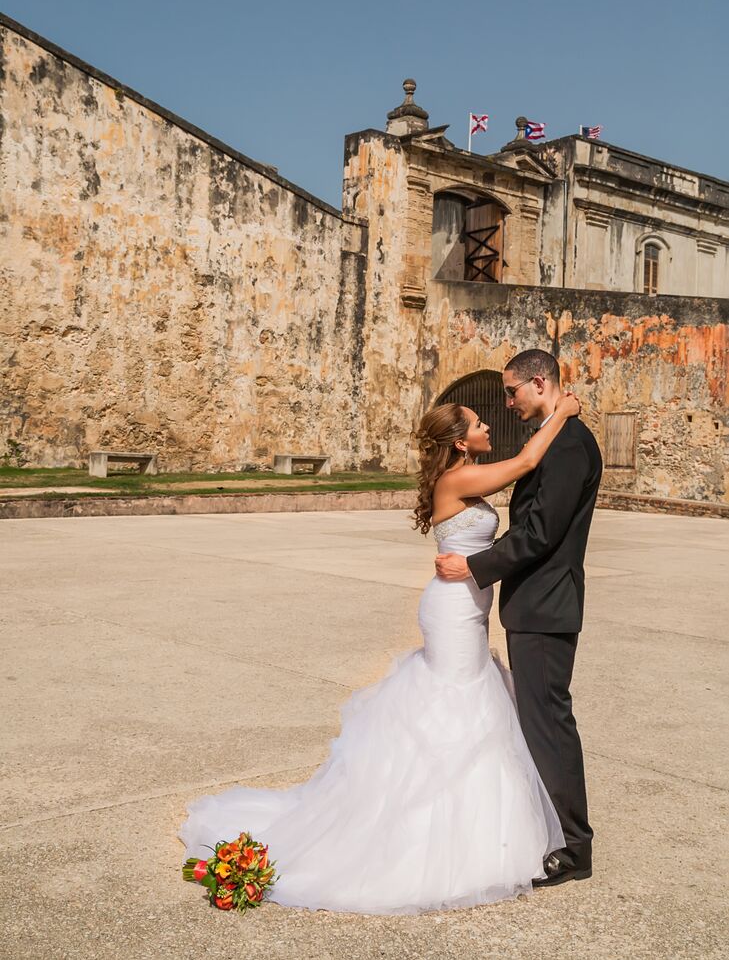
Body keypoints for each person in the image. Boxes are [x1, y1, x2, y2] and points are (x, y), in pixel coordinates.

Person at [179, 390, 580, 914]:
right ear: (460, 443)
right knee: (458, 704)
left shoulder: (460, 478)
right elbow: (527, 461)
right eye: (481, 423)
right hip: (452, 612)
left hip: (466, 607)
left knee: (468, 702)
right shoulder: (457, 479)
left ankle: (469, 822)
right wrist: (564, 414)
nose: (489, 427)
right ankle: (429, 829)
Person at [436, 349, 602, 888]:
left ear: (539, 382)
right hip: (536, 603)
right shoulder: (558, 438)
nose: (506, 403)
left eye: (511, 392)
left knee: (548, 723)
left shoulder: (570, 447)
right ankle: (553, 830)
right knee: (537, 720)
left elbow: (539, 535)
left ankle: (574, 847)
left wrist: (474, 566)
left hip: (546, 606)